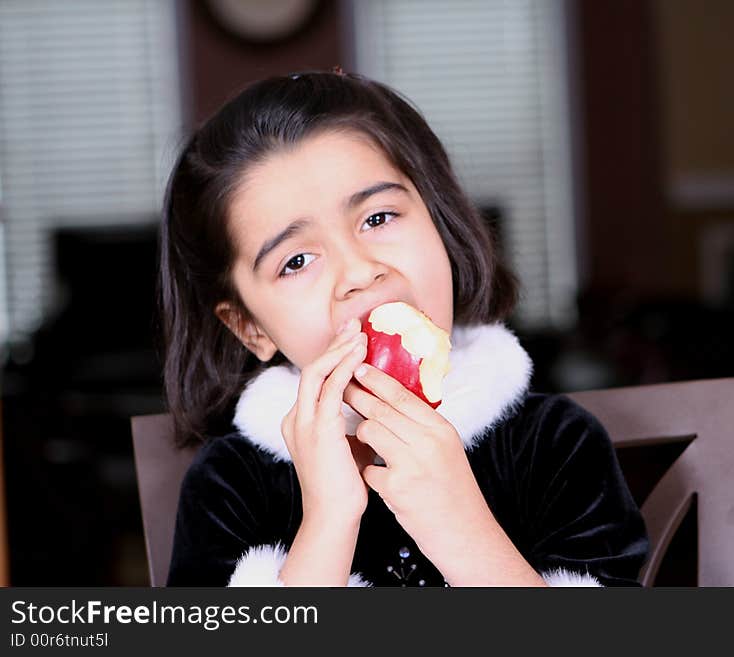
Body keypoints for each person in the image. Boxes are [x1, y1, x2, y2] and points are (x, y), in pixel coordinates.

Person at [160, 71, 648, 587]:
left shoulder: (555, 445)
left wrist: (461, 530)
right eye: (297, 260)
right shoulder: (231, 484)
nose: (358, 272)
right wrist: (328, 521)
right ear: (249, 326)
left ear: (440, 220)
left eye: (378, 218)